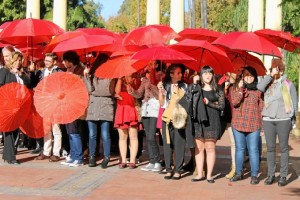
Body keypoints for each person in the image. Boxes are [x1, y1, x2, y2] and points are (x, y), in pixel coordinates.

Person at [257, 58, 298, 187]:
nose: (274, 70)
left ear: (281, 69)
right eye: (272, 68)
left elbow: (294, 103)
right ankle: (270, 175)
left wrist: (292, 118)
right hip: (268, 119)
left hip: (283, 119)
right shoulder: (267, 81)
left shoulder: (288, 84)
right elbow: (259, 88)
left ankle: (284, 175)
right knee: (270, 149)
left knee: (284, 148)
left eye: (276, 68)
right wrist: (270, 76)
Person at [189, 66, 225, 183]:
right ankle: (200, 173)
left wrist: (209, 103)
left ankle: (209, 175)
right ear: (201, 75)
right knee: (199, 148)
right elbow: (189, 100)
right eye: (205, 74)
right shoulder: (196, 88)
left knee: (210, 147)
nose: (208, 76)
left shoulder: (218, 89)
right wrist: (194, 84)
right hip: (198, 121)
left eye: (210, 73)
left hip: (213, 121)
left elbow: (221, 106)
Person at [230, 66, 263, 185]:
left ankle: (254, 175)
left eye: (251, 75)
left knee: (253, 150)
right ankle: (238, 173)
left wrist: (262, 126)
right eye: (246, 76)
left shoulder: (259, 91)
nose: (248, 78)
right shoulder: (236, 89)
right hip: (238, 123)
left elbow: (261, 108)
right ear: (242, 77)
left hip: (254, 124)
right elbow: (234, 102)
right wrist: (240, 90)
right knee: (239, 149)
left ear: (254, 77)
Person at [127, 61, 162, 172]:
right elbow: (139, 93)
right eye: (148, 64)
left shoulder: (160, 77)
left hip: (155, 108)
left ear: (156, 65)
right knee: (147, 136)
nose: (149, 66)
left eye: (152, 64)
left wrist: (152, 84)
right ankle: (152, 161)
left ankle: (157, 161)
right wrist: (131, 90)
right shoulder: (145, 79)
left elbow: (159, 95)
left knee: (152, 136)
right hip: (146, 108)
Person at [83, 53, 116, 168]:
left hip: (106, 106)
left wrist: (95, 91)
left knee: (105, 134)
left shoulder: (112, 75)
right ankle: (92, 156)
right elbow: (89, 90)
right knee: (92, 134)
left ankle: (106, 157)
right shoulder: (92, 75)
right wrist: (86, 76)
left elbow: (108, 92)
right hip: (93, 105)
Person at [157, 64, 188, 180]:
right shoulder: (165, 85)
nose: (180, 75)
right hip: (167, 118)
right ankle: (169, 169)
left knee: (179, 144)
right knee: (167, 144)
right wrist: (160, 91)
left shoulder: (184, 86)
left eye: (181, 73)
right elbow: (162, 103)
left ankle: (178, 169)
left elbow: (186, 102)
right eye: (178, 73)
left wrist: (178, 92)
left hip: (179, 118)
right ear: (171, 74)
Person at [0, 51, 31, 164]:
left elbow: (29, 82)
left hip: (19, 105)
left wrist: (20, 73)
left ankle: (9, 154)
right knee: (8, 130)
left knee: (15, 130)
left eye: (20, 61)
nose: (19, 63)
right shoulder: (4, 71)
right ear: (12, 60)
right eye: (17, 60)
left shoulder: (21, 72)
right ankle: (11, 157)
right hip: (7, 105)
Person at [35, 53, 63, 162]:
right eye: (45, 60)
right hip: (45, 103)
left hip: (55, 103)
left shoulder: (59, 72)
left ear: (54, 62)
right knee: (46, 128)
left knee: (56, 128)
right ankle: (46, 151)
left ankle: (56, 152)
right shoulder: (43, 72)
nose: (46, 62)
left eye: (48, 61)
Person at [60, 51, 85, 167]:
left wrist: (73, 77)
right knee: (69, 131)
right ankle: (73, 155)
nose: (63, 63)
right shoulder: (68, 71)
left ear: (70, 61)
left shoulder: (80, 70)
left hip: (75, 104)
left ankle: (79, 157)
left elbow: (81, 86)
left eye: (64, 61)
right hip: (67, 103)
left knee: (74, 131)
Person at [114, 74, 141, 169]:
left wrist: (131, 82)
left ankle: (133, 160)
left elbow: (138, 93)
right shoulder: (119, 80)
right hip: (121, 110)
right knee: (122, 137)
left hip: (131, 109)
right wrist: (119, 79)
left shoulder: (136, 79)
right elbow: (117, 92)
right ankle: (124, 160)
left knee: (133, 137)